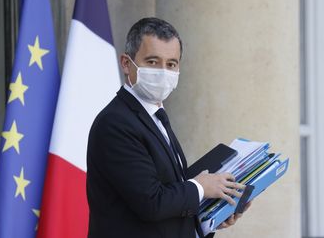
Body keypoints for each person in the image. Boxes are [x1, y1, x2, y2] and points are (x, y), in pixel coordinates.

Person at [86, 17, 250, 238]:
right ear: (126, 63)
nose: (163, 71)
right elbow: (151, 202)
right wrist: (200, 187)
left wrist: (209, 218)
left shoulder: (156, 117)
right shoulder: (115, 123)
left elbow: (168, 202)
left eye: (171, 64)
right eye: (152, 62)